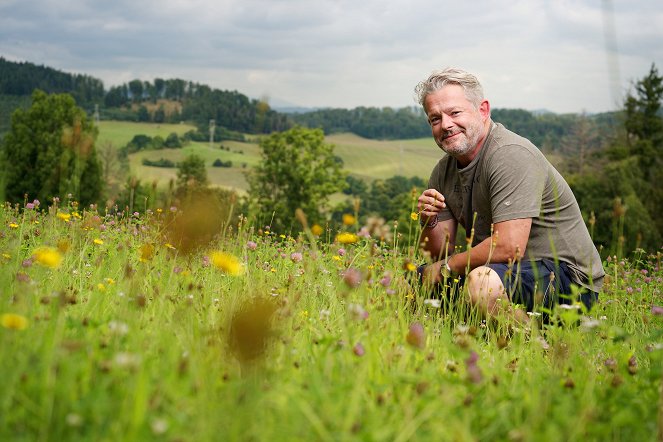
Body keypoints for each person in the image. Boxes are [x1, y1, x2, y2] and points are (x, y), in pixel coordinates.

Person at [414, 67, 604, 322]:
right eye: (435, 119)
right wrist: (429, 220)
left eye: (454, 112)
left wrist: (447, 268)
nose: (445, 125)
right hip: (503, 271)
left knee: (480, 285)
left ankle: (536, 351)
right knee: (405, 286)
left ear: (482, 110)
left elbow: (508, 246)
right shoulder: (443, 171)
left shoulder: (510, 153)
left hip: (567, 278)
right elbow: (439, 255)